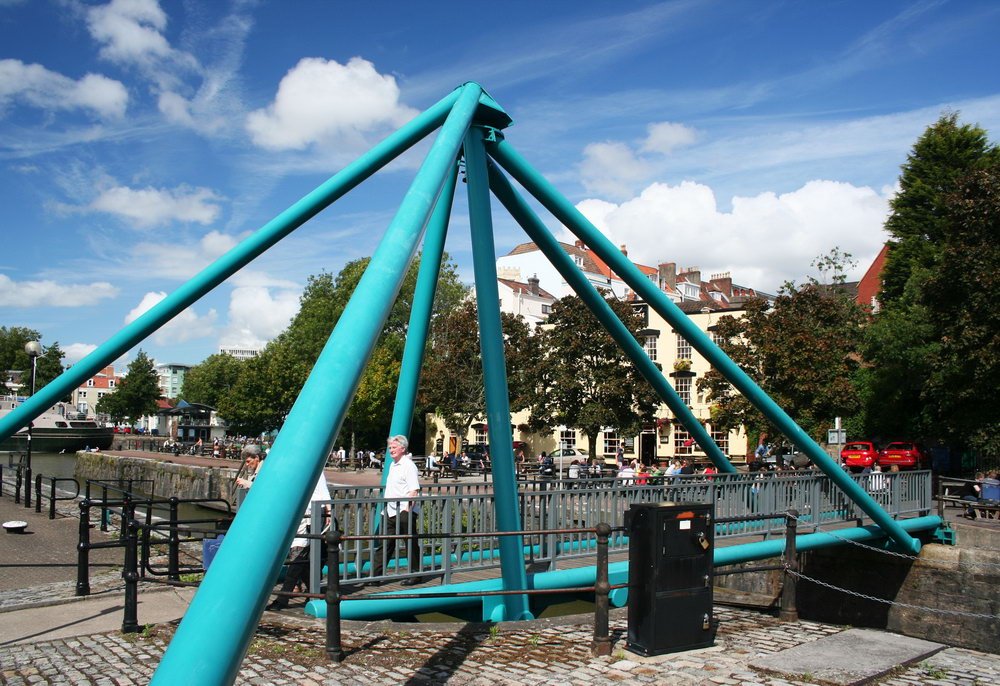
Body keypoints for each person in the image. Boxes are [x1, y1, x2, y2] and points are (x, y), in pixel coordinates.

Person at [266, 469, 331, 611]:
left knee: (297, 557)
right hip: (298, 515)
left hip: (308, 516)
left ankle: (283, 599)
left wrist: (328, 512)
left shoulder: (315, 470)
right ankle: (314, 591)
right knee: (301, 560)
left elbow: (322, 490)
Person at [369, 435, 426, 586]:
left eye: (393, 448)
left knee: (410, 542)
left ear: (402, 448)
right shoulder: (394, 465)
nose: (390, 450)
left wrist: (408, 508)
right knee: (385, 543)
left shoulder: (408, 465)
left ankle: (416, 574)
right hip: (390, 509)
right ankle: (375, 576)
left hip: (404, 509)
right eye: (390, 448)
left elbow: (414, 488)